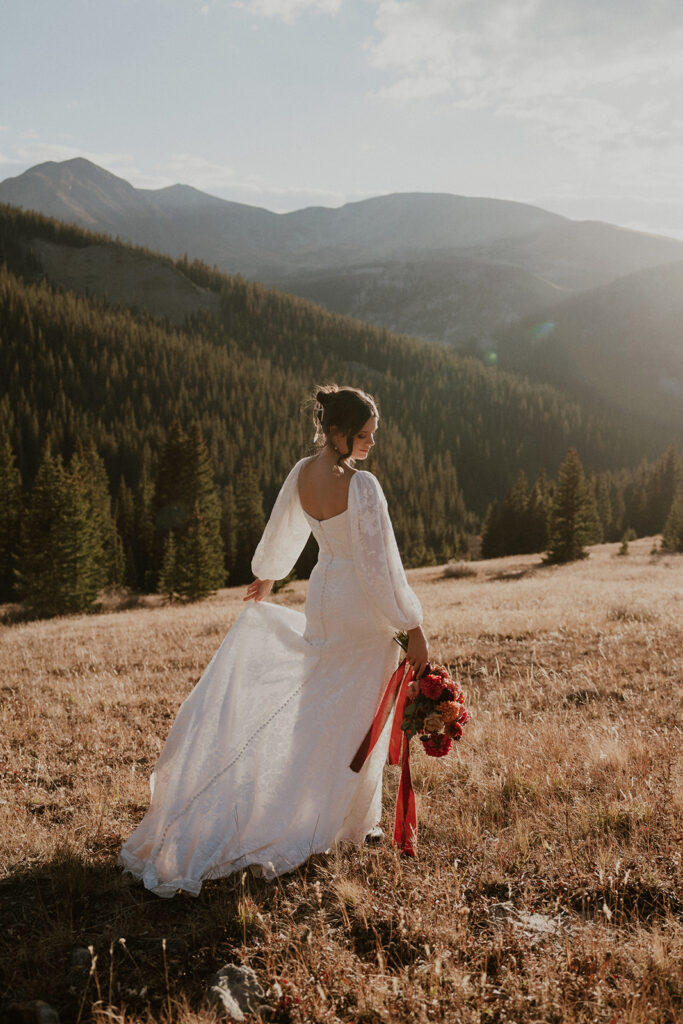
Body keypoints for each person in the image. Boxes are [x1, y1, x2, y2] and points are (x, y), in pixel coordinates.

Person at [118, 385, 428, 897]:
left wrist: (269, 575)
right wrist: (410, 624)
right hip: (360, 609)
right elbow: (381, 566)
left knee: (319, 705)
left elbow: (284, 528)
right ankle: (346, 822)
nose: (371, 444)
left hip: (323, 597)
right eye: (364, 435)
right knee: (357, 713)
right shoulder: (363, 487)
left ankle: (323, 808)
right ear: (337, 432)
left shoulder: (301, 473)